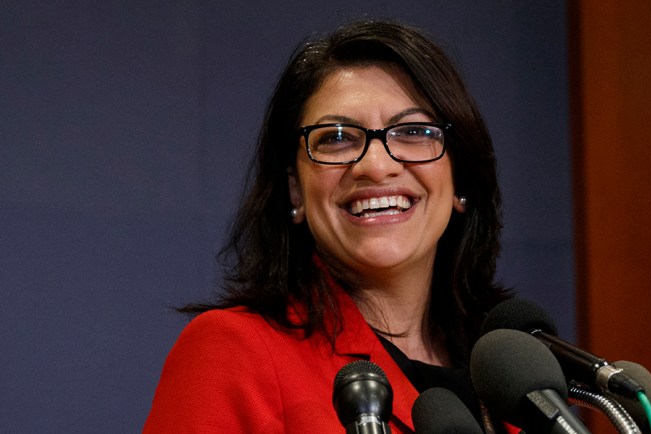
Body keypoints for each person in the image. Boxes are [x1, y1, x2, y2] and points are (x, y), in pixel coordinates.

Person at [144, 19, 514, 433]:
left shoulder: (518, 379)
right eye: (337, 137)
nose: (376, 166)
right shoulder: (233, 351)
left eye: (413, 131)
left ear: (461, 179)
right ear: (295, 192)